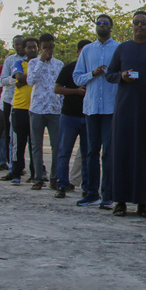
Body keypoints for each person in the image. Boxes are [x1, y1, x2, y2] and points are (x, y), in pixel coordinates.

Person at [105, 11, 146, 217]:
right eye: (136, 23)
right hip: (124, 112)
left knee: (145, 158)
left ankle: (143, 202)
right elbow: (109, 75)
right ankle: (119, 201)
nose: (139, 26)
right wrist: (121, 76)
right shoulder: (122, 48)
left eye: (143, 23)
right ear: (132, 26)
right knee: (121, 155)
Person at [72, 14, 119, 208]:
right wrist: (93, 73)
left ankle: (107, 194)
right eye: (98, 23)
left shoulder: (118, 48)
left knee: (108, 152)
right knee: (91, 151)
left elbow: (123, 75)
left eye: (105, 23)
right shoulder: (87, 50)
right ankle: (91, 192)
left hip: (110, 108)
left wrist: (109, 74)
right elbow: (77, 78)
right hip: (91, 108)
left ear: (111, 27)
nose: (101, 26)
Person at [53, 39, 90, 199]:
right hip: (69, 116)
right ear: (77, 52)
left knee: (88, 153)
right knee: (64, 151)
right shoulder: (69, 68)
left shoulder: (94, 71)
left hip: (88, 116)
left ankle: (87, 187)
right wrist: (76, 91)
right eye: (82, 52)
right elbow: (57, 89)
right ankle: (62, 184)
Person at [27, 33, 63, 190]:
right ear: (40, 48)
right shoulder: (33, 62)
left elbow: (60, 87)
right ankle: (38, 177)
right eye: (44, 48)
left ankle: (54, 177)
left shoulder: (59, 64)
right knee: (36, 145)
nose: (48, 51)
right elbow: (30, 81)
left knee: (57, 145)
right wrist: (41, 62)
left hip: (54, 110)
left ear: (53, 47)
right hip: (37, 109)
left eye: (50, 47)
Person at [5, 37, 39, 185]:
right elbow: (18, 77)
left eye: (35, 47)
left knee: (35, 144)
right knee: (18, 143)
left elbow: (24, 80)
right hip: (19, 108)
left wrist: (25, 80)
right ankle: (16, 173)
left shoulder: (41, 64)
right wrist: (30, 78)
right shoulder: (18, 63)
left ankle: (35, 174)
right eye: (29, 47)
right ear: (24, 49)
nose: (32, 50)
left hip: (35, 108)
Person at [0, 36, 27, 177]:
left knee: (26, 137)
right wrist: (16, 80)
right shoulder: (9, 60)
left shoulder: (31, 59)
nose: (18, 47)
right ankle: (12, 167)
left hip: (26, 101)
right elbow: (2, 81)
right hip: (9, 100)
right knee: (10, 136)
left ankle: (25, 166)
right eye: (16, 44)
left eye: (21, 44)